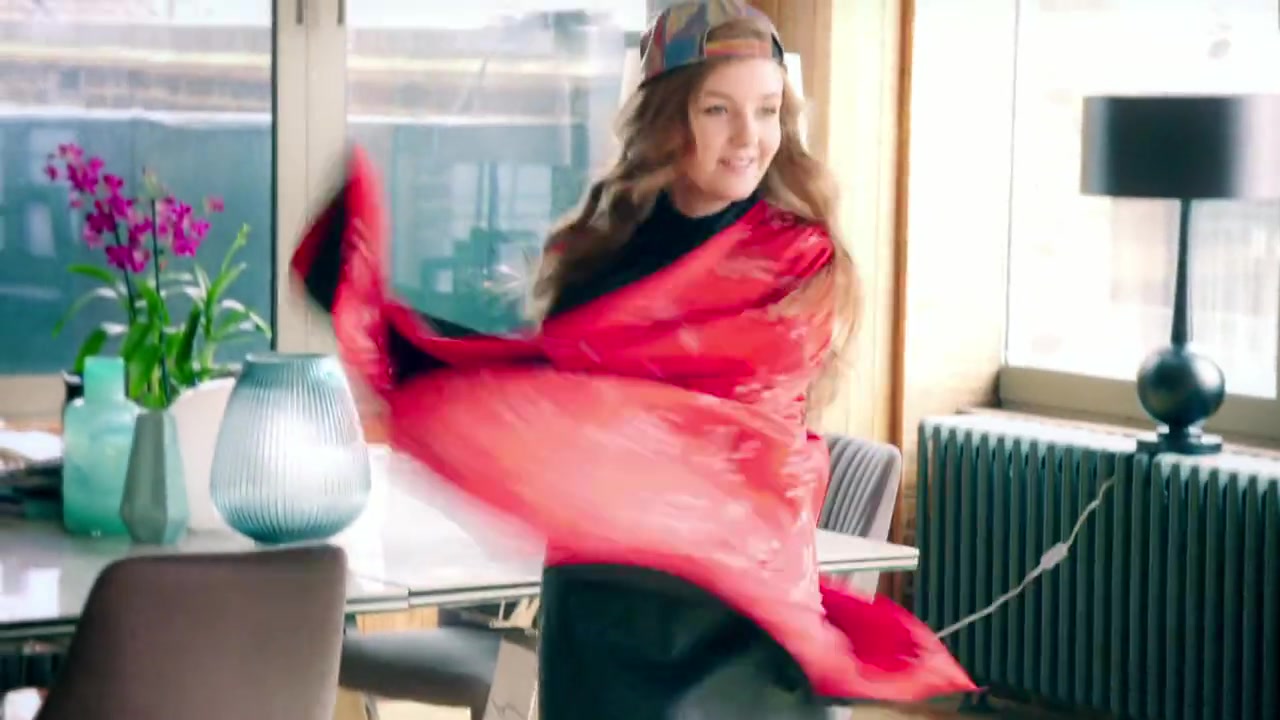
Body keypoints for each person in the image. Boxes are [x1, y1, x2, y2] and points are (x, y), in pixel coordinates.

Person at [291, 1, 974, 717]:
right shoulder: (596, 254)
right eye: (718, 109)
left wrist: (421, 359)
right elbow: (545, 402)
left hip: (738, 616)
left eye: (768, 110)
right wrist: (395, 339)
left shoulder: (796, 262)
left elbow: (693, 435)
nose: (750, 136)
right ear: (670, 117)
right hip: (603, 607)